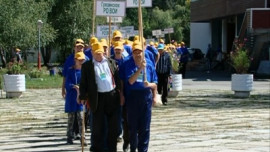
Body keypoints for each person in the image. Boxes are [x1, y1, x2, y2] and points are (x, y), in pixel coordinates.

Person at [79, 42, 121, 152]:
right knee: (98, 126)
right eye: (96, 53)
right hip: (97, 98)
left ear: (104, 52)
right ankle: (97, 148)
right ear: (92, 53)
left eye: (100, 53)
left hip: (112, 96)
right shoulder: (87, 66)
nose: (99, 55)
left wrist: (120, 93)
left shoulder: (111, 62)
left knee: (113, 127)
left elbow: (117, 79)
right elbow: (83, 83)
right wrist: (82, 96)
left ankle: (112, 148)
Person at [120, 41, 158, 152]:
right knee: (132, 127)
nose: (138, 54)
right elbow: (130, 81)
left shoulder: (149, 64)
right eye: (135, 52)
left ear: (143, 52)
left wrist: (153, 91)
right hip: (132, 98)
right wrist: (140, 68)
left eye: (139, 52)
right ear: (132, 53)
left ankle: (143, 150)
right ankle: (133, 148)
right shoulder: (128, 64)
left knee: (145, 128)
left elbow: (155, 83)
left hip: (146, 97)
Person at [65, 52, 87, 146]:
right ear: (75, 60)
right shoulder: (71, 71)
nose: (81, 61)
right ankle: (69, 136)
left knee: (81, 118)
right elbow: (67, 84)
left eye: (82, 60)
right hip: (72, 97)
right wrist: (74, 86)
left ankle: (83, 138)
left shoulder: (85, 72)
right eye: (79, 60)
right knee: (71, 118)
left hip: (81, 98)